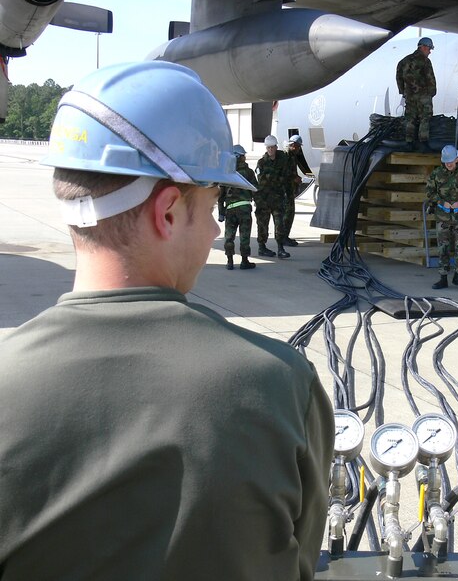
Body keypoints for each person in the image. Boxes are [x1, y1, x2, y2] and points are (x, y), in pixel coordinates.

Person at [0, 61, 333, 580]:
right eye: (212, 207)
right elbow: (300, 561)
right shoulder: (282, 385)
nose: (217, 229)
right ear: (169, 211)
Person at [425, 144, 458, 291]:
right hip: (442, 217)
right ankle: (443, 278)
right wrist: (442, 203)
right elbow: (429, 192)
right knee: (443, 248)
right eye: (446, 161)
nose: (448, 164)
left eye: (451, 161)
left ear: (457, 159)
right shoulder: (436, 174)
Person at [218, 144, 257, 270]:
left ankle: (230, 262)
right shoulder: (249, 172)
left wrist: (221, 213)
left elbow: (221, 195)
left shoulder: (226, 173)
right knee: (244, 236)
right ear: (241, 157)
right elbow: (256, 189)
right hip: (245, 208)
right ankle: (244, 261)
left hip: (230, 209)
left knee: (229, 236)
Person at [396, 37, 436, 153]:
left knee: (410, 119)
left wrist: (403, 92)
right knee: (425, 118)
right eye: (429, 49)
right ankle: (423, 143)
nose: (429, 52)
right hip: (424, 96)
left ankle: (409, 143)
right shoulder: (425, 61)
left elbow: (398, 78)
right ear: (423, 47)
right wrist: (431, 93)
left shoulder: (404, 61)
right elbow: (430, 78)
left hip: (410, 96)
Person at [255, 134, 292, 259]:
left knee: (279, 224)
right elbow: (262, 181)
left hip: (277, 198)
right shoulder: (261, 163)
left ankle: (280, 248)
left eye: (272, 147)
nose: (270, 150)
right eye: (268, 148)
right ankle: (262, 247)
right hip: (264, 199)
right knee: (262, 224)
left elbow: (287, 176)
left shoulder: (283, 160)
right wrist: (277, 178)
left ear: (276, 147)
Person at [283, 134, 313, 247]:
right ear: (293, 145)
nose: (299, 149)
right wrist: (294, 178)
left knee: (289, 214)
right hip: (285, 190)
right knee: (288, 214)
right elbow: (283, 173)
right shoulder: (286, 156)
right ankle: (283, 237)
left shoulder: (292, 156)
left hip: (289, 189)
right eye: (297, 146)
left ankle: (284, 236)